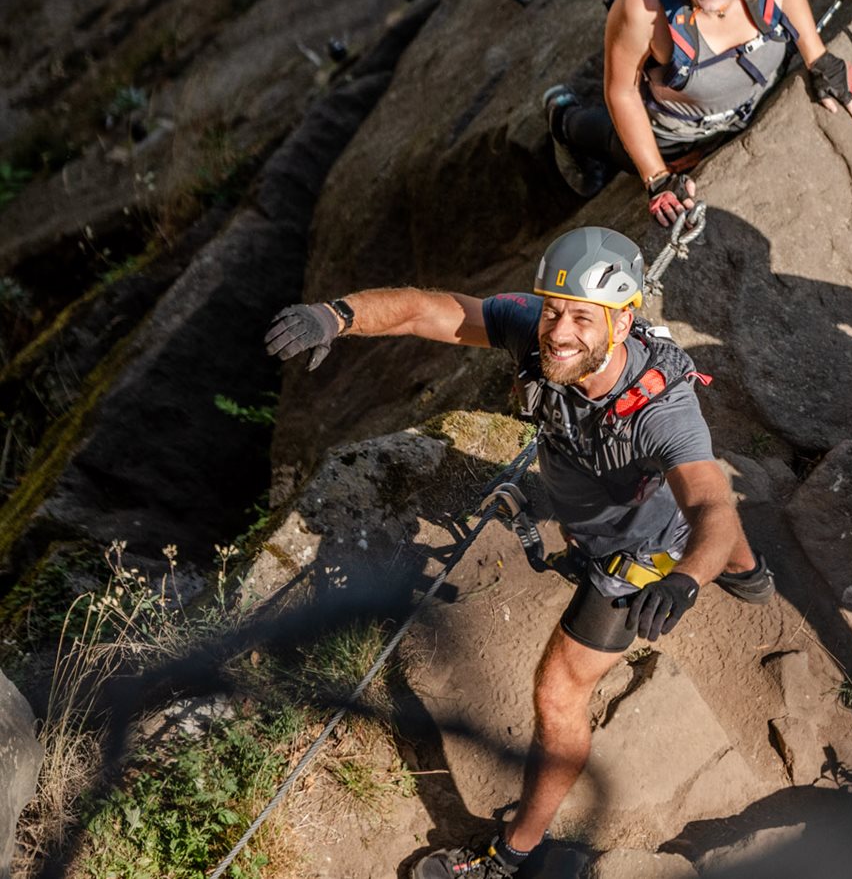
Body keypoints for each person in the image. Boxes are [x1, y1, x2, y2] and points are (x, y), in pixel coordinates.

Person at [264, 226, 773, 878]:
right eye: (554, 311)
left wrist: (685, 581)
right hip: (594, 509)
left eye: (581, 318)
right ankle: (751, 573)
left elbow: (710, 507)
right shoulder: (536, 327)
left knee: (558, 694)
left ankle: (512, 856)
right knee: (721, 549)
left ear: (622, 323)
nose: (558, 332)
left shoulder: (662, 412)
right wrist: (336, 316)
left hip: (640, 548)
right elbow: (431, 311)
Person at [543, 0, 852, 222]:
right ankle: (563, 119)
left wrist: (819, 58)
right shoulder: (642, 8)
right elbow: (622, 91)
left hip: (752, 100)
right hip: (676, 138)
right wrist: (657, 176)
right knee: (616, 145)